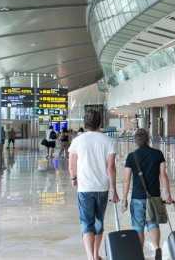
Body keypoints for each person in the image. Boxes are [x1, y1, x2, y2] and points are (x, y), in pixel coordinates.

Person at [68, 110, 119, 260]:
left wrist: (74, 178)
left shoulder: (77, 141)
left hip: (84, 188)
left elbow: (72, 164)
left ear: (85, 123)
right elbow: (111, 167)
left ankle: (91, 257)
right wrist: (113, 190)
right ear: (100, 123)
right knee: (98, 221)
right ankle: (96, 254)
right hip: (102, 187)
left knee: (86, 222)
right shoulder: (109, 141)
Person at [122, 129, 173, 260]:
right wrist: (168, 194)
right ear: (148, 139)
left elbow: (126, 179)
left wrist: (124, 199)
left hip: (137, 196)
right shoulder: (158, 154)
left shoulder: (131, 156)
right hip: (154, 196)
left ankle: (140, 255)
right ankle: (157, 247)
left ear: (135, 141)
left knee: (138, 227)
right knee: (152, 223)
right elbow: (163, 175)